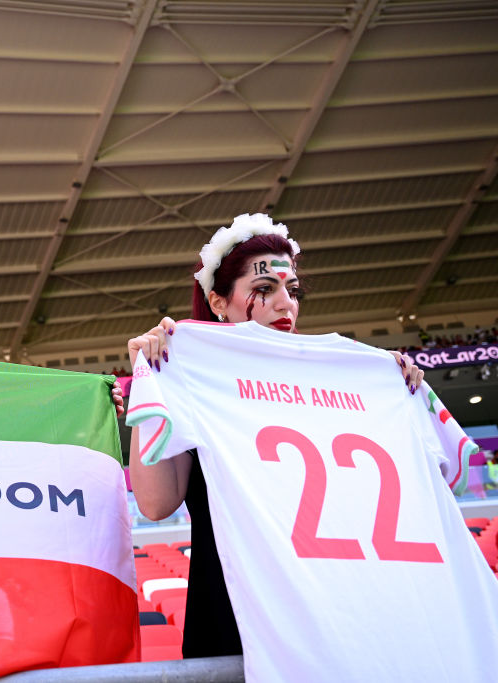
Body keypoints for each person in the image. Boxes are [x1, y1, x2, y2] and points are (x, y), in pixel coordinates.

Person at [126, 213, 423, 659]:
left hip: (336, 616)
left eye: (292, 290)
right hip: (236, 618)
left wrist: (394, 393)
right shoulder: (188, 376)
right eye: (264, 290)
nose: (286, 304)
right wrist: (148, 377)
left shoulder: (340, 384)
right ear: (218, 301)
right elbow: (155, 504)